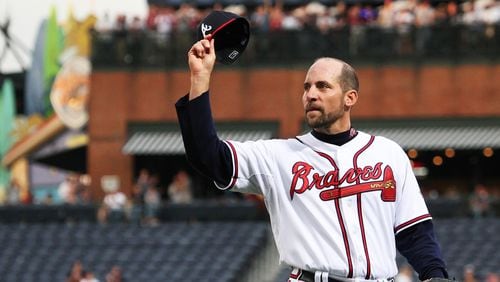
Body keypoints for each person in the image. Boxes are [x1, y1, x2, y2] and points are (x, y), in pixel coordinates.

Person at [175, 37, 449, 281]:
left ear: (349, 97)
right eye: (307, 88)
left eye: (323, 86)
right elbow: (207, 157)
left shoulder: (388, 154)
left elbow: (414, 230)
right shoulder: (278, 156)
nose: (311, 95)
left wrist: (435, 275)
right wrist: (200, 78)